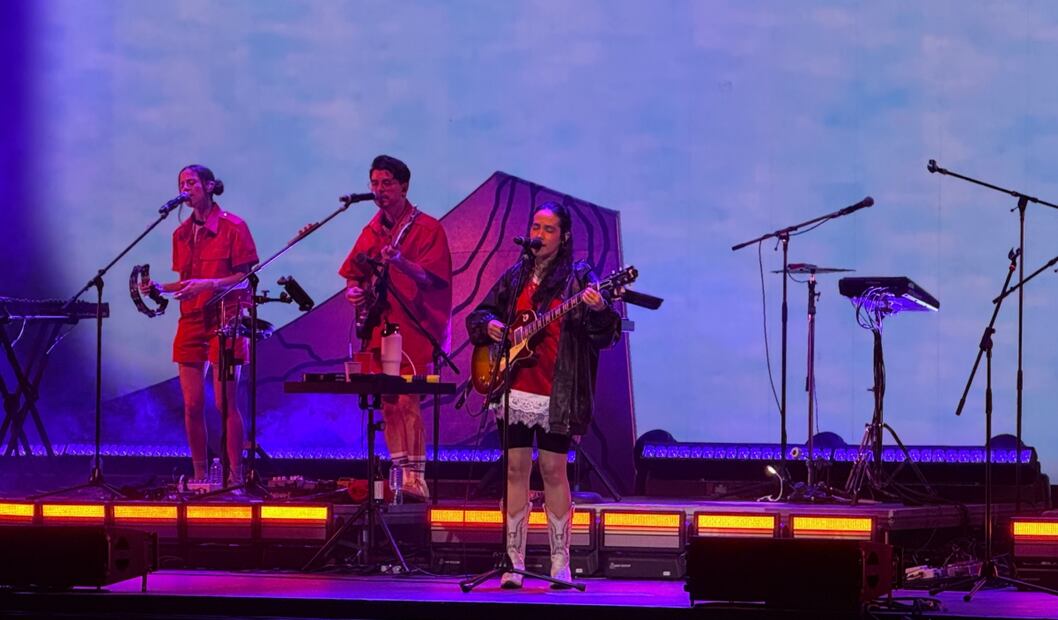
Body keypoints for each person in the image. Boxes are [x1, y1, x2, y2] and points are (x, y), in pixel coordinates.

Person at [466, 201, 621, 588]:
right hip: (514, 387)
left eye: (549, 229)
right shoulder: (516, 275)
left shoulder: (580, 277)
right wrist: (493, 326)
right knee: (515, 469)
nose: (539, 234)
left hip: (558, 390)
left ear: (564, 236)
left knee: (553, 470)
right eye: (536, 227)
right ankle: (513, 561)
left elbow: (605, 334)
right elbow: (479, 316)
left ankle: (559, 563)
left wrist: (600, 306)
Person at [339, 155, 452, 500]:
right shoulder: (371, 229)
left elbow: (433, 278)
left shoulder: (427, 227)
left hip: (414, 326)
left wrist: (401, 261)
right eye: (374, 183)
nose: (379, 190)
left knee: (406, 399)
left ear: (404, 186)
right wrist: (354, 292)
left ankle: (416, 477)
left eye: (386, 183)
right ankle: (398, 472)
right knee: (387, 401)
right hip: (380, 324)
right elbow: (354, 274)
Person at [145, 164, 259, 483]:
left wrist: (207, 284)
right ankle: (199, 476)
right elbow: (187, 283)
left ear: (209, 186)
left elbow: (245, 279)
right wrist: (159, 288)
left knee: (225, 402)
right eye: (182, 182)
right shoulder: (180, 234)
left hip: (227, 321)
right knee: (192, 405)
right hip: (192, 321)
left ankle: (235, 477)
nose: (186, 188)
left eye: (192, 182)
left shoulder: (234, 226)